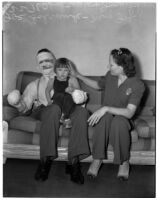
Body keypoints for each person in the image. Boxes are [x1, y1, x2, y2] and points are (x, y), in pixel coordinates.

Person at [7, 48, 90, 184]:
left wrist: (73, 107)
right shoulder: (35, 84)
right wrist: (16, 102)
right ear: (38, 65)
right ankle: (45, 161)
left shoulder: (71, 79)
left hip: (68, 108)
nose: (45, 64)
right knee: (53, 108)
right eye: (41, 62)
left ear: (54, 62)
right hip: (47, 109)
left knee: (82, 113)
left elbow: (79, 98)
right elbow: (25, 108)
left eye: (48, 60)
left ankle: (74, 163)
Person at [71, 48, 145, 180]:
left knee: (118, 122)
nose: (108, 66)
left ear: (122, 66)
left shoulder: (137, 84)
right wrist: (78, 75)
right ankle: (97, 159)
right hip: (106, 116)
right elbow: (97, 85)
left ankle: (123, 162)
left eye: (111, 64)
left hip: (124, 118)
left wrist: (106, 108)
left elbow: (129, 112)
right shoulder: (110, 76)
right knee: (104, 118)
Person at [45, 57, 80, 128]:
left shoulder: (71, 80)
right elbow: (47, 90)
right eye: (60, 70)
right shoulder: (52, 80)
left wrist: (72, 89)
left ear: (69, 71)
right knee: (58, 97)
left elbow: (79, 92)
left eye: (66, 70)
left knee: (68, 97)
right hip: (57, 102)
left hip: (69, 103)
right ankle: (60, 117)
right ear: (55, 70)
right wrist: (49, 101)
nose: (63, 73)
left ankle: (65, 118)